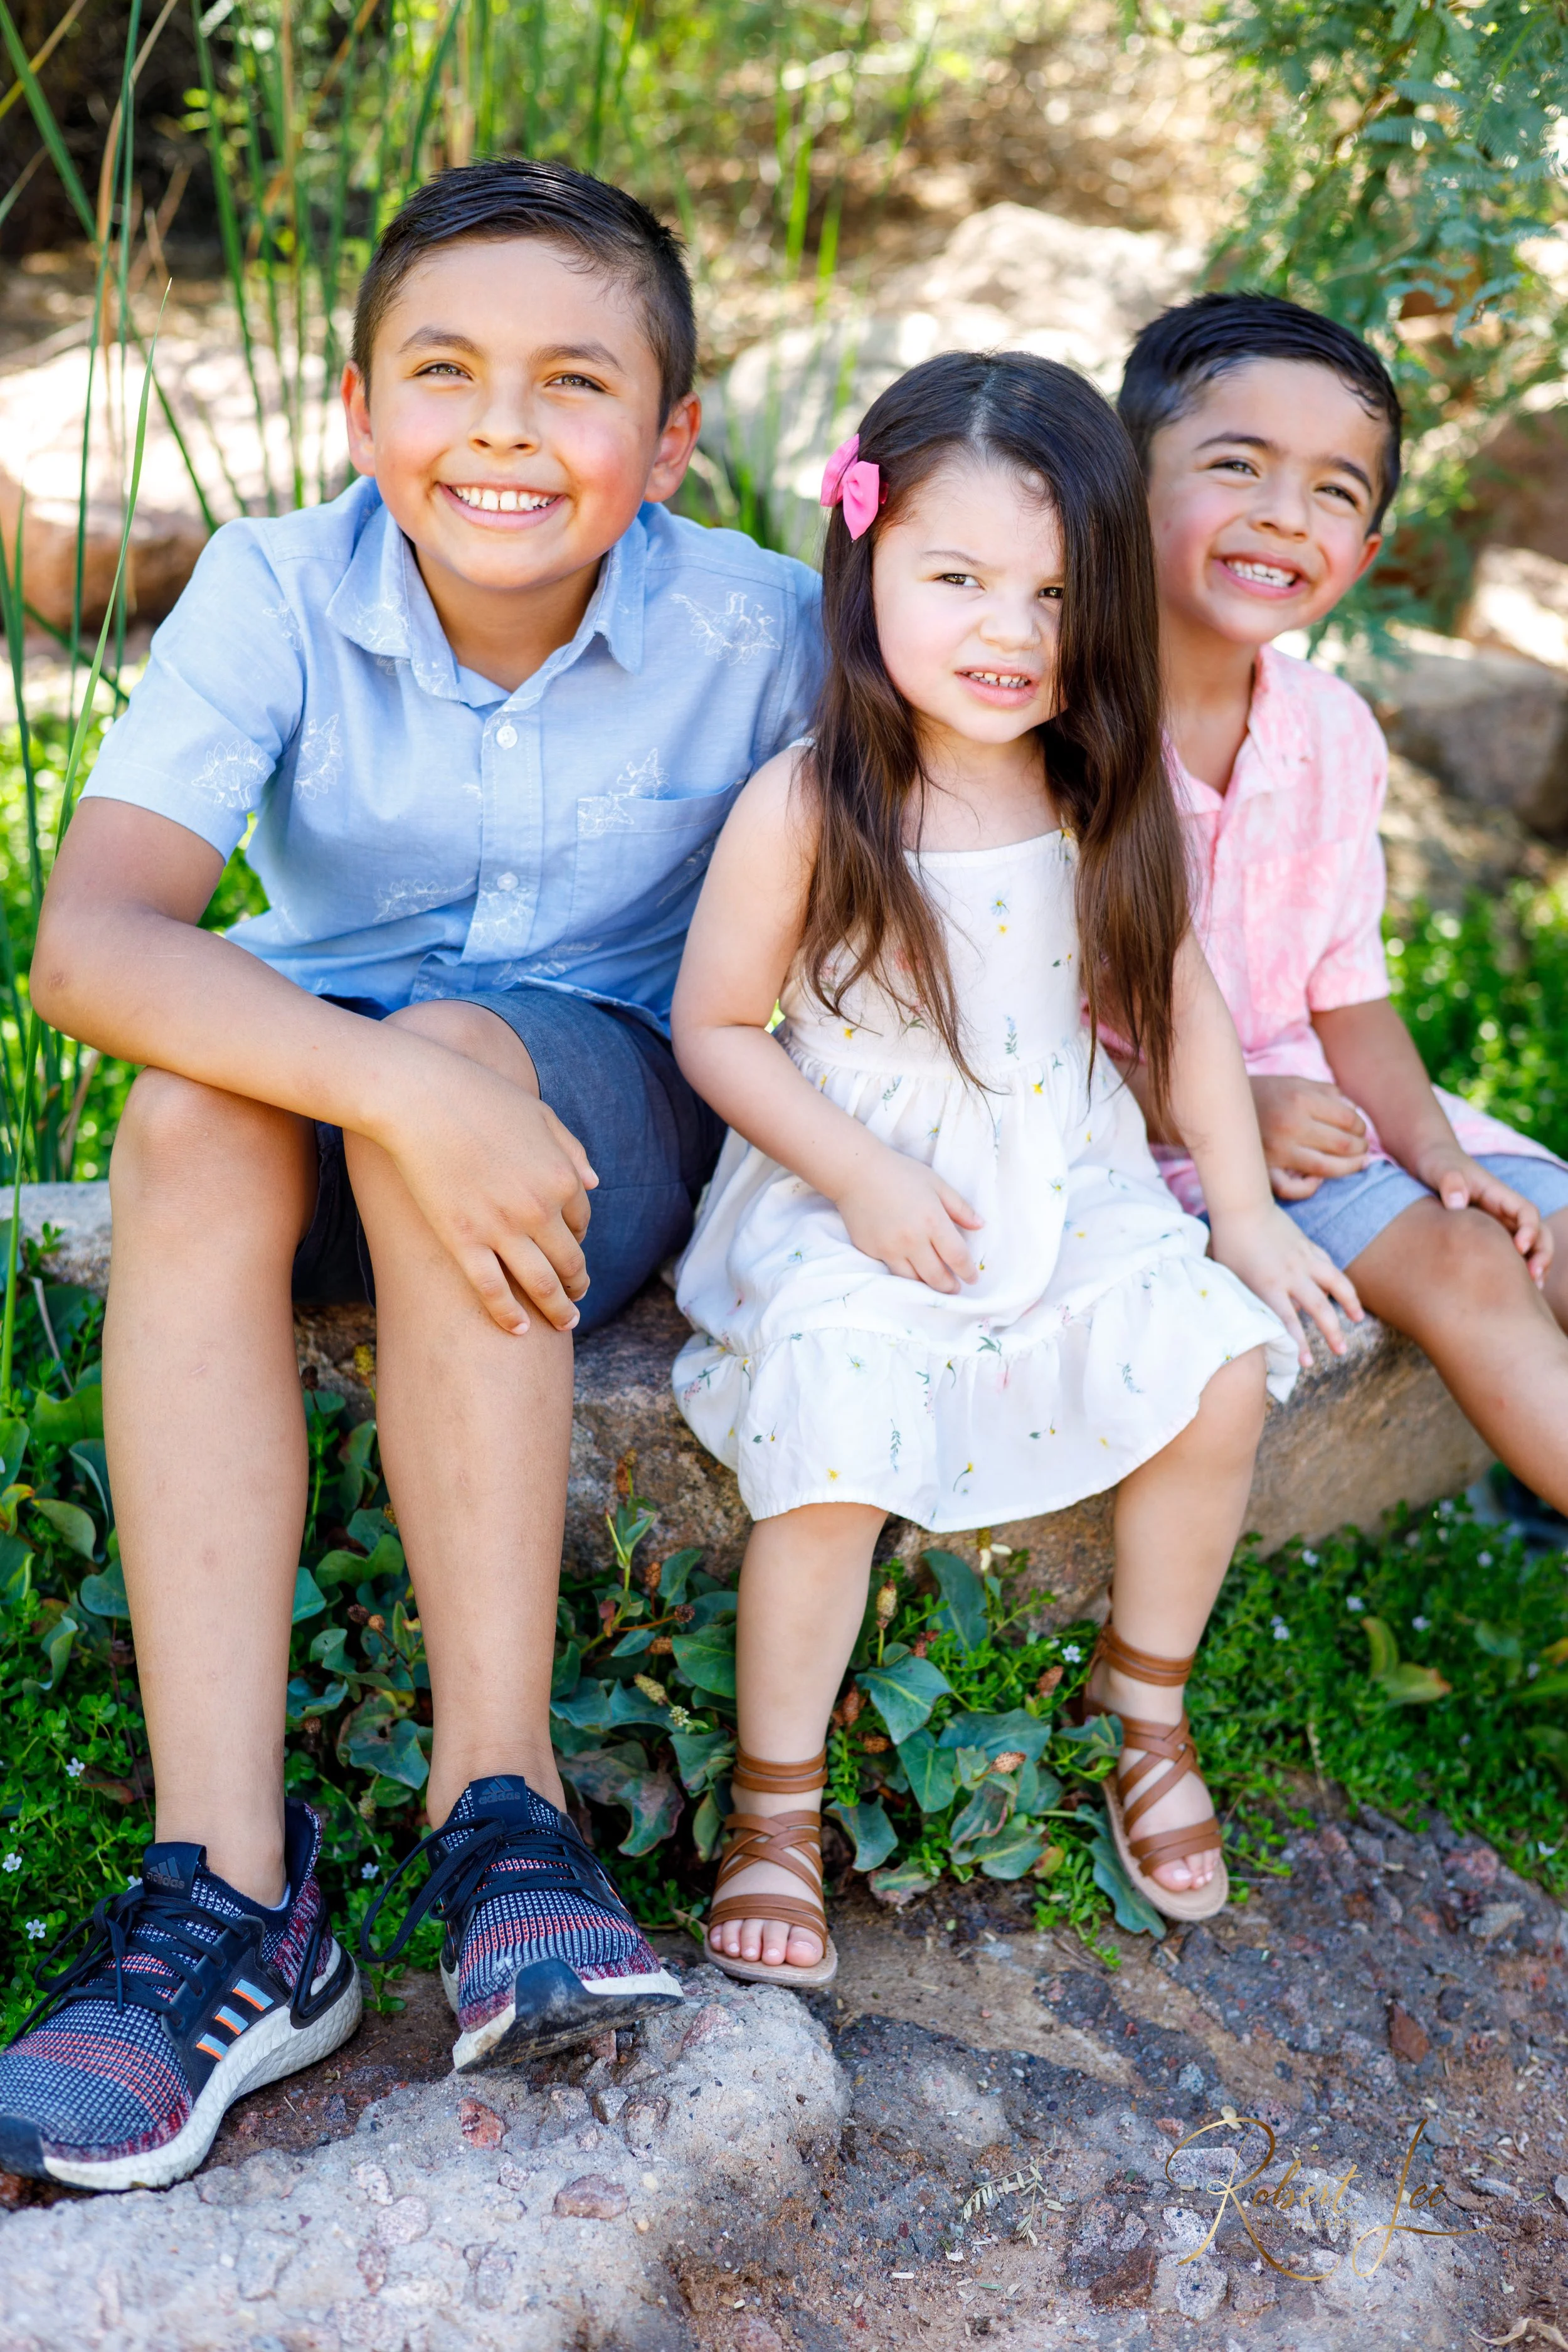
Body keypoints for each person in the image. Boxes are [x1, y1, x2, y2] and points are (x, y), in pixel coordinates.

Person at [0, 158, 822, 2191]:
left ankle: (501, 1810)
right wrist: (407, 1097)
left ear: (671, 434)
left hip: (607, 1116)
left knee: (458, 1052)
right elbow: (95, 944)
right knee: (197, 1104)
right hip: (333, 1109)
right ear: (361, 414)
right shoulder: (280, 584)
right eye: (443, 373)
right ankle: (228, 1896)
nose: (504, 429)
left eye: (572, 382)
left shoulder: (763, 624)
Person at [666, 351, 1362, 1983]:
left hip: (1072, 1163)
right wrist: (859, 1178)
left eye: (1052, 593)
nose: (1006, 631)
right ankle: (773, 1800)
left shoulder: (1098, 791)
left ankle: (1145, 1697)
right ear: (865, 567)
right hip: (865, 1180)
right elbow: (717, 1027)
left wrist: (1245, 1209)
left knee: (1211, 1370)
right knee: (831, 1429)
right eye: (957, 577)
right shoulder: (808, 803)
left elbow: (1176, 995)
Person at [1118, 291, 1568, 1515]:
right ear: (1118, 486)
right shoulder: (1067, 734)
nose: (1281, 515)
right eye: (1235, 466)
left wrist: (1434, 1153)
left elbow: (1346, 996)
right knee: (1470, 1269)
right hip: (1133, 1133)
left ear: (1364, 554)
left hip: (1319, 1104)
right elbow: (1013, 1027)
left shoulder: (1328, 732)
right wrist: (1225, 1110)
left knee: (1547, 1221)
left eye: (1332, 491)